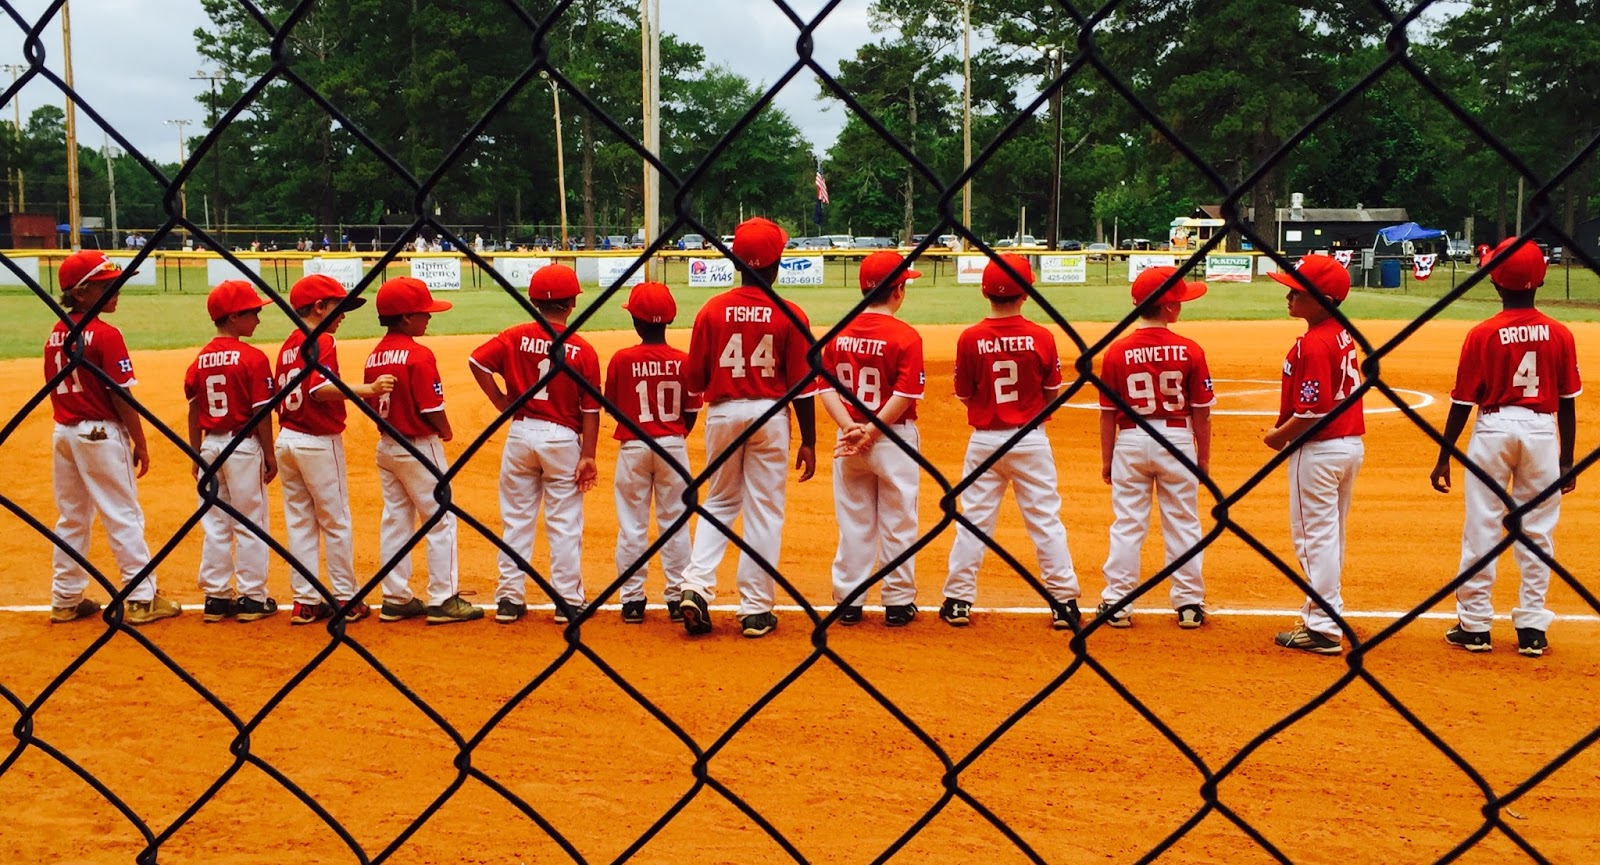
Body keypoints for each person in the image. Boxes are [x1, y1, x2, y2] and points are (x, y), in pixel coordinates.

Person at [1431, 238, 1579, 657]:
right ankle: (1533, 626)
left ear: (1494, 282)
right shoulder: (1560, 333)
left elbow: (1462, 403)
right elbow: (1568, 402)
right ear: (1542, 280)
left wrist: (1445, 454)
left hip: (1493, 428)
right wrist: (1567, 459)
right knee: (1538, 530)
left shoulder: (1482, 334)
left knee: (1482, 524)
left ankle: (1475, 625)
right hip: (1541, 430)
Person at [678, 216, 819, 638]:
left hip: (722, 412)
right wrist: (809, 441)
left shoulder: (712, 310)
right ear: (776, 265)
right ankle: (756, 609)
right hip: (770, 415)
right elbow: (803, 387)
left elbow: (696, 379)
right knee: (764, 510)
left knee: (719, 502)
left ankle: (695, 584)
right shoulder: (790, 313)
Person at [940, 253, 1081, 630]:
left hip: (985, 441)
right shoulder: (1042, 336)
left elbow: (965, 394)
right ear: (1027, 293)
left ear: (984, 292)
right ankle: (1064, 601)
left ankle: (957, 600)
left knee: (973, 520)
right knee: (1045, 520)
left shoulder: (970, 338)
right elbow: (1052, 392)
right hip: (1031, 439)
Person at [44, 251, 181, 625]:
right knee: (123, 513)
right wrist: (141, 441)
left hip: (64, 433)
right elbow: (121, 395)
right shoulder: (105, 334)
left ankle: (65, 598)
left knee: (71, 518)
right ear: (83, 293)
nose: (117, 290)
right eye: (108, 285)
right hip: (100, 433)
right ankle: (140, 598)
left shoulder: (56, 333)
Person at [469, 263, 602, 624]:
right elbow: (591, 409)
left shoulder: (514, 336)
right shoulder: (582, 349)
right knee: (564, 523)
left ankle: (510, 599)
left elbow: (476, 360)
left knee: (516, 520)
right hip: (561, 438)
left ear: (531, 301)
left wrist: (500, 400)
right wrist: (588, 455)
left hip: (521, 433)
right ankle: (567, 601)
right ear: (573, 302)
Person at [274, 274, 396, 625]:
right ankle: (346, 597)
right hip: (317, 441)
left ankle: (305, 601)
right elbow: (318, 389)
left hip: (288, 439)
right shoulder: (322, 340)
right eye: (338, 308)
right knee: (336, 520)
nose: (342, 315)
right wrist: (367, 388)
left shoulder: (287, 345)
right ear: (319, 308)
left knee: (300, 522)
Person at [1096, 266, 1214, 629]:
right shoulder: (1190, 350)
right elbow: (1202, 413)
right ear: (1168, 309)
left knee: (1128, 523)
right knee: (1183, 522)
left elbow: (1106, 414)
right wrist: (1203, 459)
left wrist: (1107, 459)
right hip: (1178, 440)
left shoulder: (1117, 351)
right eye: (1177, 301)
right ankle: (1190, 604)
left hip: (1130, 440)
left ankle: (1117, 602)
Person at [365, 277, 483, 624]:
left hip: (387, 446)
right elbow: (431, 406)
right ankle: (443, 599)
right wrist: (445, 430)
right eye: (423, 313)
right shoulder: (418, 354)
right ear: (404, 318)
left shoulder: (375, 354)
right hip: (418, 446)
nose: (429, 318)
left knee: (395, 521)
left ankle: (396, 597)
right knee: (441, 519)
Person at [1263, 254, 1365, 655]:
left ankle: (1322, 627)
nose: (1288, 297)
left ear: (1323, 299)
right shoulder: (1340, 333)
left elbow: (1313, 410)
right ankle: (1327, 615)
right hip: (1348, 445)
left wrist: (1278, 437)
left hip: (1319, 449)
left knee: (1312, 539)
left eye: (1297, 292)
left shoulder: (1314, 343)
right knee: (1329, 537)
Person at [819, 250, 925, 627]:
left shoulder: (839, 332)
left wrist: (851, 428)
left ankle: (849, 599)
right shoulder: (906, 336)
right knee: (899, 520)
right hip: (893, 436)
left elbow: (824, 389)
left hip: (847, 438)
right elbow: (904, 395)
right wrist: (872, 431)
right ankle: (897, 602)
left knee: (854, 520)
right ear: (897, 292)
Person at [184, 280, 280, 623]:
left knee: (215, 523)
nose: (258, 318)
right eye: (253, 312)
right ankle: (253, 598)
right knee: (251, 521)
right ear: (234, 316)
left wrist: (196, 455)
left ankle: (216, 597)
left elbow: (194, 413)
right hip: (242, 446)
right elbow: (261, 413)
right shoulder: (253, 358)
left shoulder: (199, 360)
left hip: (210, 446)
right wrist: (270, 455)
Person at [605, 281, 701, 624]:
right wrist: (674, 433)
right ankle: (677, 596)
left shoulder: (621, 359)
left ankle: (632, 599)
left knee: (631, 524)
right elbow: (692, 411)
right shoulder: (684, 361)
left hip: (633, 444)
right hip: (673, 444)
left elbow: (613, 406)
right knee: (675, 523)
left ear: (635, 322)